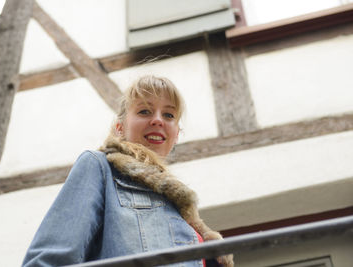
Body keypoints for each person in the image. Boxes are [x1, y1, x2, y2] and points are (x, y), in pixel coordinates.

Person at [22, 75, 234, 267]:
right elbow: (48, 261)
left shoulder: (182, 211)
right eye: (144, 111)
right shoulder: (100, 167)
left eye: (169, 115)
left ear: (176, 134)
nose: (158, 120)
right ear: (120, 127)